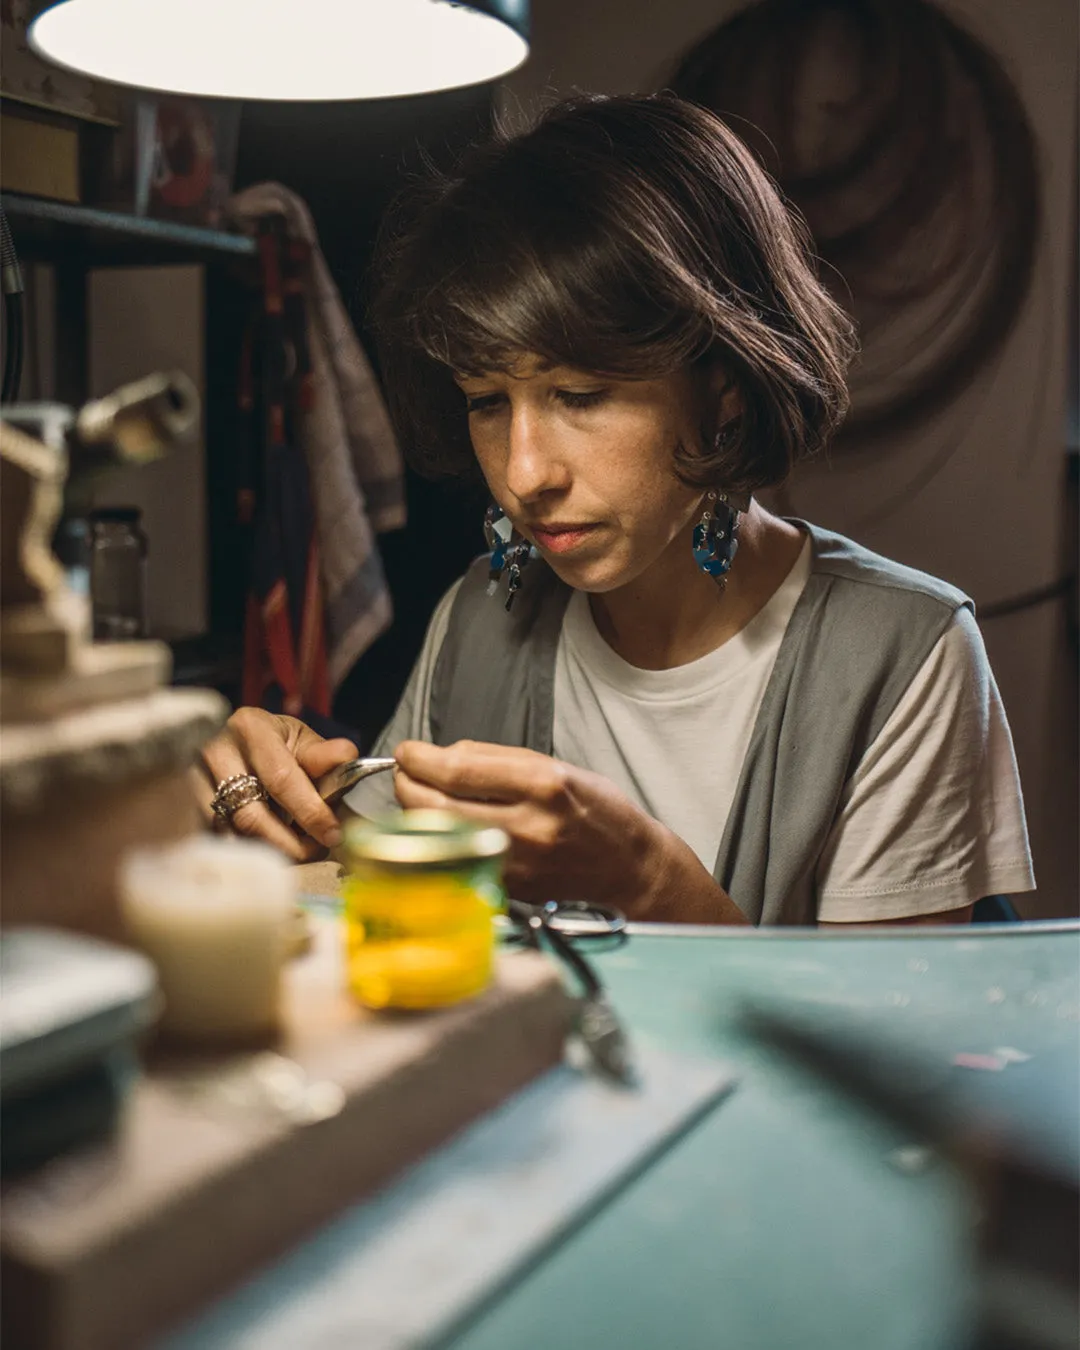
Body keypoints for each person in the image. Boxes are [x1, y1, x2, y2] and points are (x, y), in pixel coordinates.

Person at [195, 93, 1034, 927]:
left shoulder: (902, 654)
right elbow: (391, 911)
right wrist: (283, 807)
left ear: (726, 385)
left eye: (581, 394)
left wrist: (648, 879)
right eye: (487, 401)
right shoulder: (480, 623)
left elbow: (890, 1049)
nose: (524, 475)